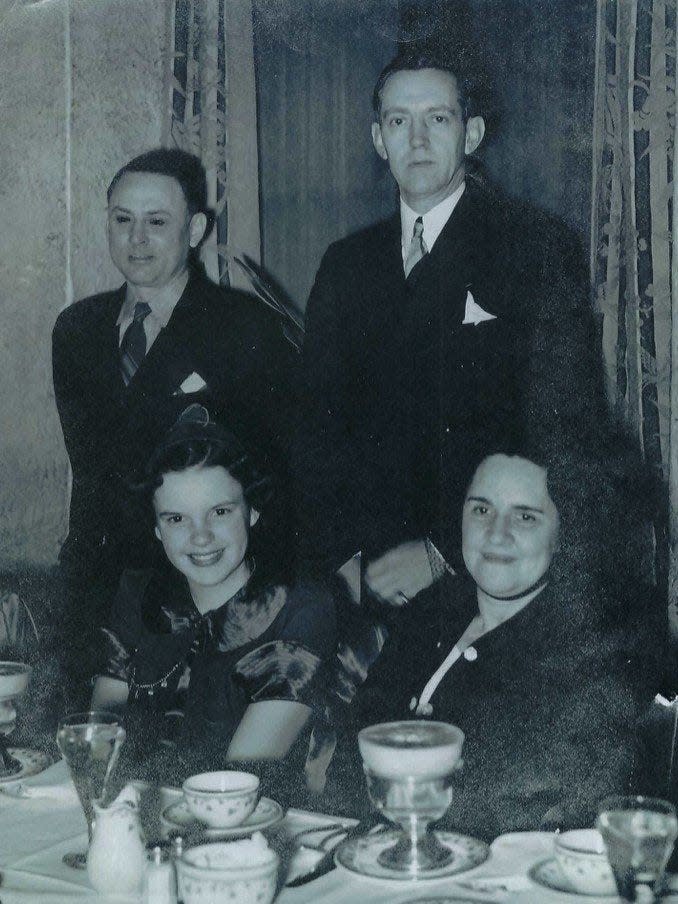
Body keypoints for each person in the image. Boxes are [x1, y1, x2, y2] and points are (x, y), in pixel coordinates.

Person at [302, 48, 606, 605]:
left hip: (484, 572)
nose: (416, 140)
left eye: (437, 119)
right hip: (362, 578)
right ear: (378, 139)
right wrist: (340, 561)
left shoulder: (534, 249)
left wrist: (442, 552)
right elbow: (316, 428)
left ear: (471, 134)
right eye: (399, 121)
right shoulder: (345, 264)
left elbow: (561, 431)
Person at [52, 148, 300, 692]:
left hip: (201, 592)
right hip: (98, 592)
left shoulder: (245, 328)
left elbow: (279, 478)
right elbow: (90, 477)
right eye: (123, 220)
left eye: (156, 222)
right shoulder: (76, 330)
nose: (136, 239)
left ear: (194, 230)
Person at [334, 444, 664, 839]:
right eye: (481, 510)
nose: (496, 534)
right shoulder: (428, 612)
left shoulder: (589, 653)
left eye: (525, 517)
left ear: (563, 536)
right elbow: (352, 754)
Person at [91, 406, 336, 783]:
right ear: (156, 528)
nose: (200, 537)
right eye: (176, 519)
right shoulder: (137, 595)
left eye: (219, 512)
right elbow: (99, 746)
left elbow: (237, 785)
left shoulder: (299, 609)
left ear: (252, 510)